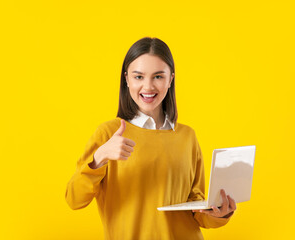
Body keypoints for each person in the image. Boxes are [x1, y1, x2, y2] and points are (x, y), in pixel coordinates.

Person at [65, 37, 236, 240]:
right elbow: (74, 199)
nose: (148, 86)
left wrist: (219, 213)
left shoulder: (187, 136)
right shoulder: (108, 134)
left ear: (170, 79)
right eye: (138, 77)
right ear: (126, 79)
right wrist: (99, 157)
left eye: (158, 76)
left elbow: (196, 210)